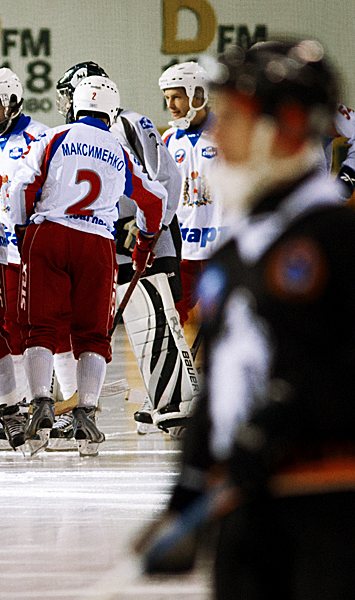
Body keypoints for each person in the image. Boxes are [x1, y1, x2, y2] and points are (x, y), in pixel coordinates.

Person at [144, 40, 355, 598]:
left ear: (283, 128)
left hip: (327, 511)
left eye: (231, 118)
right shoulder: (237, 248)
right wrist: (185, 495)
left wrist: (281, 422)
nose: (214, 135)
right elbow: (220, 386)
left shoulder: (336, 239)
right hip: (243, 509)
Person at [11, 76, 165, 456]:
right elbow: (154, 198)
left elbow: (20, 186)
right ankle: (86, 414)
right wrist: (145, 241)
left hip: (49, 232)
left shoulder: (55, 136)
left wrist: (22, 231)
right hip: (97, 241)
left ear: (75, 105)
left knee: (40, 328)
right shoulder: (119, 148)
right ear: (111, 112)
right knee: (94, 334)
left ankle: (41, 404)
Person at [56, 61, 192, 438]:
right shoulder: (73, 134)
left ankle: (177, 402)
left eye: (70, 94)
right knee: (119, 322)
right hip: (108, 239)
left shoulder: (132, 122)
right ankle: (154, 398)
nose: (67, 103)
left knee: (155, 316)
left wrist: (148, 224)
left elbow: (166, 177)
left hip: (148, 234)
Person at [0, 67, 52, 450]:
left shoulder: (43, 137)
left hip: (28, 249)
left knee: (33, 326)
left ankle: (48, 400)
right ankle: (10, 407)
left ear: (14, 104)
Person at [159, 61, 228, 326]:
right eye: (167, 98)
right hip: (184, 249)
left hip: (220, 248)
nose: (170, 105)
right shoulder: (168, 140)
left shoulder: (224, 133)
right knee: (172, 317)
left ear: (198, 95)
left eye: (176, 96)